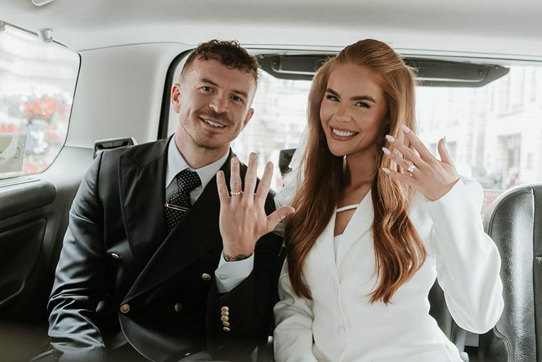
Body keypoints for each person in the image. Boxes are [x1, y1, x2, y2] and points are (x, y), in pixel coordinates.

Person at [46, 40, 292, 362]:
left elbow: (242, 344)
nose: (219, 107)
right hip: (103, 348)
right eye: (207, 88)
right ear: (177, 97)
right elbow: (72, 296)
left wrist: (237, 256)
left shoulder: (260, 205)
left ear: (246, 118)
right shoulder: (110, 171)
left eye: (236, 98)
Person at [272, 39, 504, 362]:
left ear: (388, 114)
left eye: (361, 104)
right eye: (333, 98)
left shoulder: (431, 197)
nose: (340, 116)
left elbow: (479, 316)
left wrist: (448, 201)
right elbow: (294, 305)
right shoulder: (307, 198)